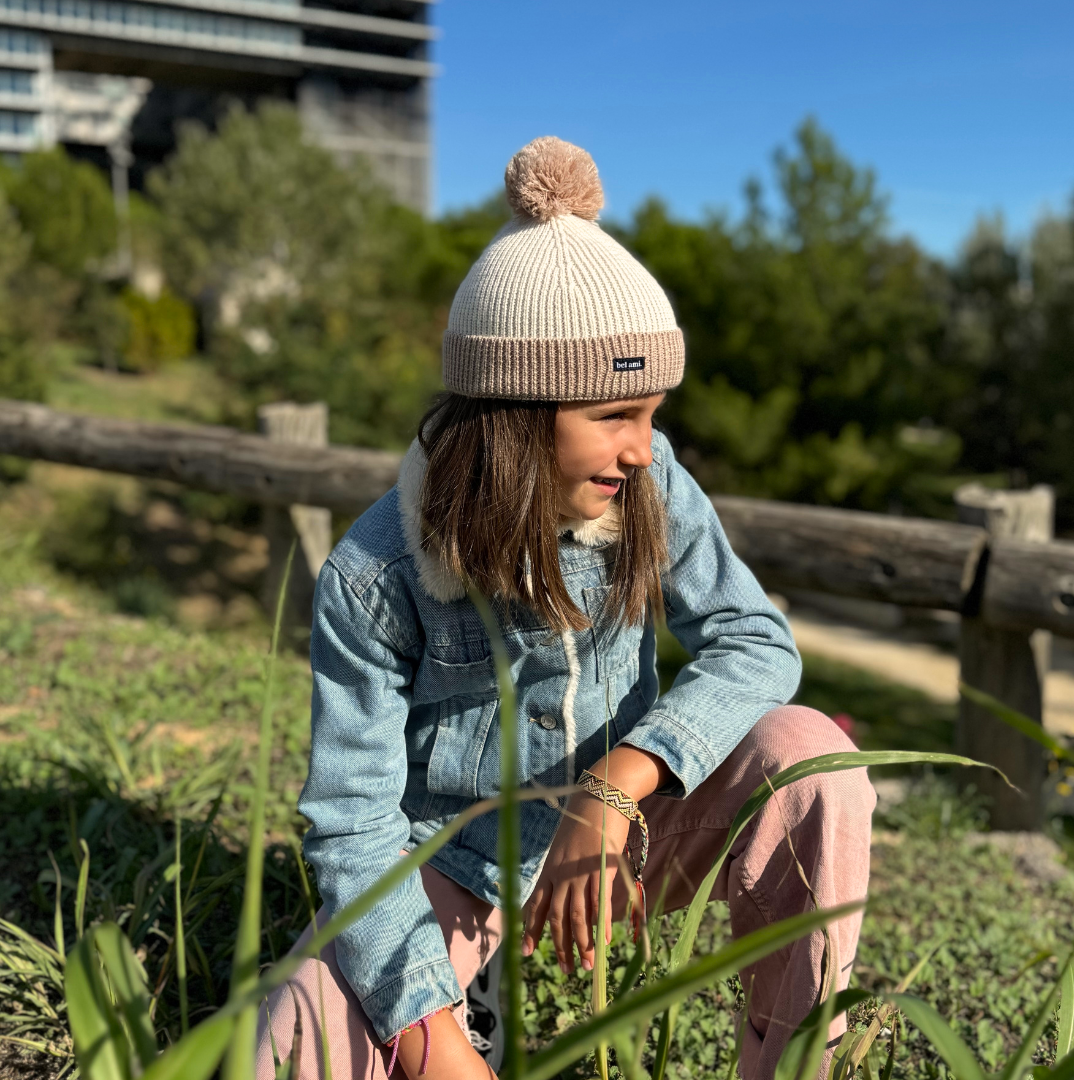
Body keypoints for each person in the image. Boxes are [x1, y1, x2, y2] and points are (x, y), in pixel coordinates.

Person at [257, 136, 875, 1080]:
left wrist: (617, 785)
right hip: (456, 864)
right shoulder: (374, 575)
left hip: (633, 835)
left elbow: (755, 640)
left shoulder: (651, 485)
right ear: (513, 416)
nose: (644, 449)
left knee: (809, 760)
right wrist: (433, 1041)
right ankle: (466, 998)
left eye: (653, 414)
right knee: (291, 1042)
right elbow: (352, 821)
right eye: (614, 416)